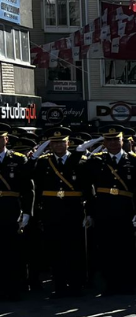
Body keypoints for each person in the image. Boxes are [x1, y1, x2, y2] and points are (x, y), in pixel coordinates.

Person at [80, 125, 136, 295]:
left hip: (126, 209)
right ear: (104, 142)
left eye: (115, 139)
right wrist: (89, 212)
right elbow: (87, 187)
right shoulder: (96, 160)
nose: (112, 143)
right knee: (106, 248)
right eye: (108, 140)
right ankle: (110, 284)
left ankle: (126, 283)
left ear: (122, 140)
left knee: (127, 248)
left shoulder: (134, 160)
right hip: (103, 209)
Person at [32, 127, 90, 297]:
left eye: (61, 142)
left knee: (75, 248)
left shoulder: (80, 160)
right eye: (54, 143)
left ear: (68, 143)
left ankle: (76, 285)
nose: (58, 146)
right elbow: (33, 179)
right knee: (55, 249)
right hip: (52, 210)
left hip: (74, 209)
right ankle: (59, 286)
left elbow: (87, 186)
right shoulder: (43, 162)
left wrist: (89, 210)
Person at [0, 124, 34, 301]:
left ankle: (14, 288)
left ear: (6, 139)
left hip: (11, 209)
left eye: (0, 138)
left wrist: (27, 212)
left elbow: (28, 189)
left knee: (13, 251)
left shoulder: (19, 159)